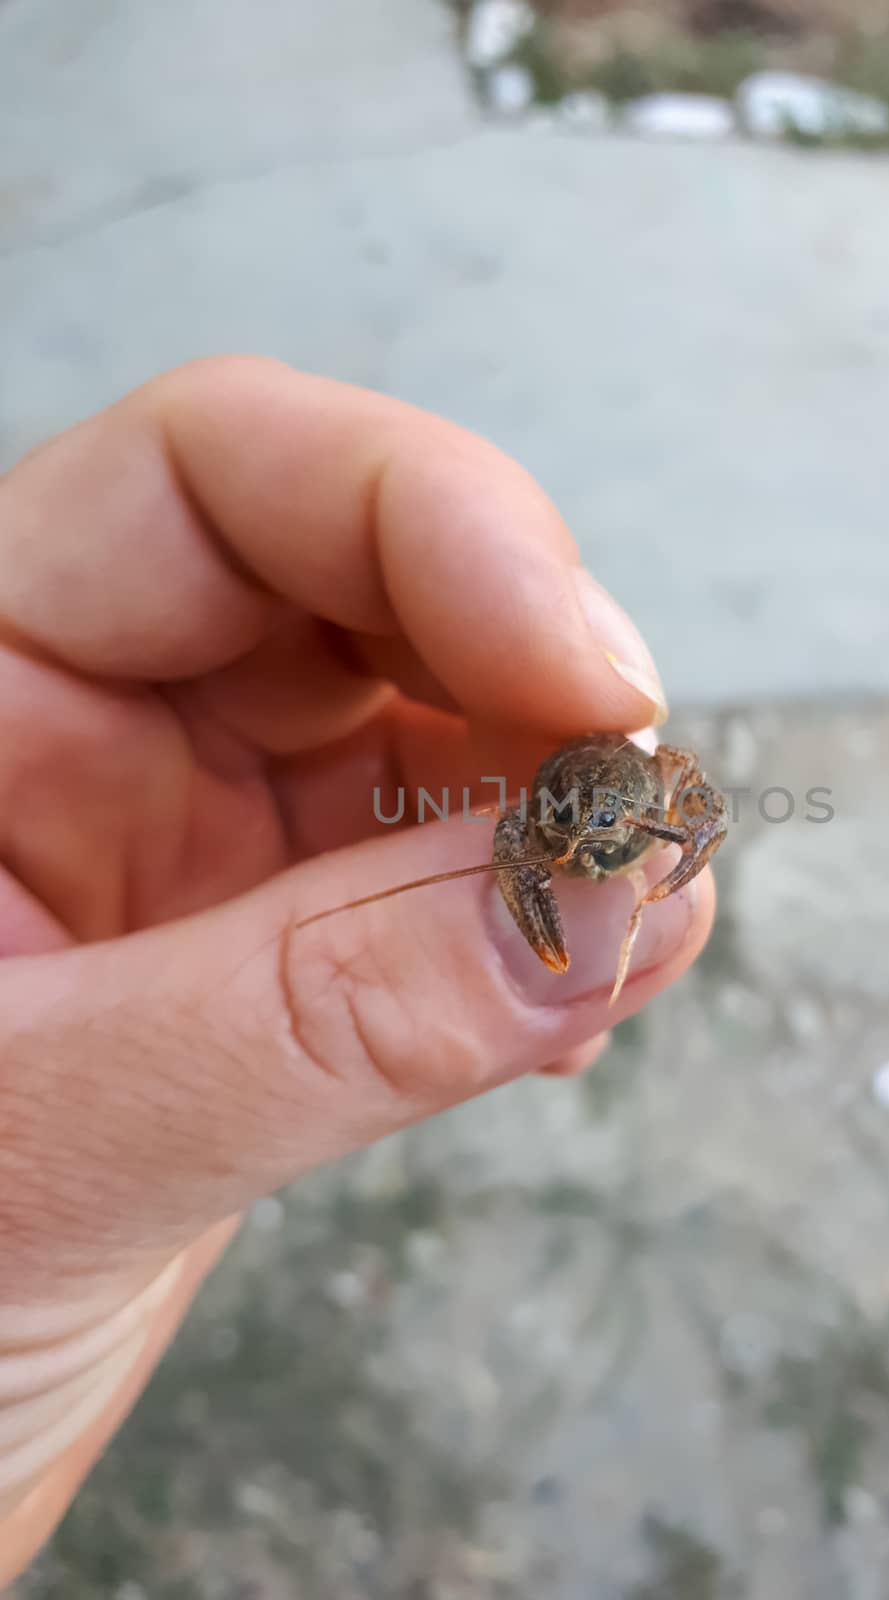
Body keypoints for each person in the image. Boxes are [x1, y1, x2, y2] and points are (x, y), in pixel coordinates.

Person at [0, 358, 715, 1583]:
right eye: (589, 842)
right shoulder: (534, 823)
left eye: (620, 839)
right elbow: (508, 837)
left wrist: (670, 845)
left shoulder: (643, 799)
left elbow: (687, 786)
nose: (603, 854)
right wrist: (520, 929)